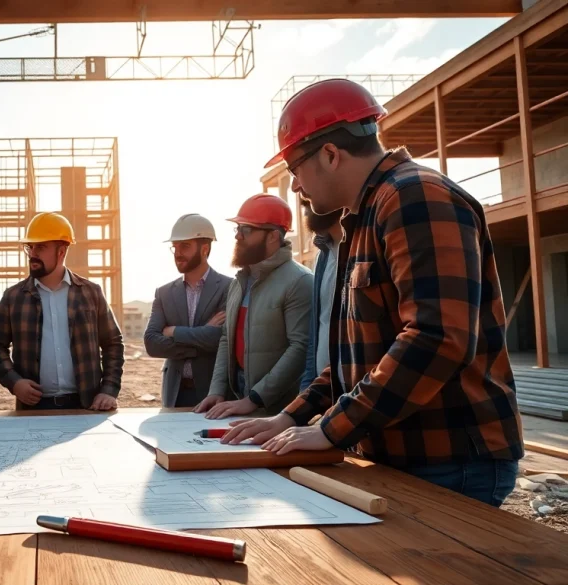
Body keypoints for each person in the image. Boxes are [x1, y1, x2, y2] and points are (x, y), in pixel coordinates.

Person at [223, 78, 524, 507]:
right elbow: (355, 357)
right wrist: (291, 416)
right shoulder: (364, 218)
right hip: (402, 453)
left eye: (294, 168)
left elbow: (436, 338)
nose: (294, 186)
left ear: (330, 154)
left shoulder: (415, 198)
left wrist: (330, 429)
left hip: (450, 458)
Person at [0, 212, 125, 411]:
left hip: (86, 406)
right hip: (33, 409)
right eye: (30, 247)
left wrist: (109, 389)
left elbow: (113, 343)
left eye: (41, 247)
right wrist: (14, 382)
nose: (33, 254)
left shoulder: (90, 293)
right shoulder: (14, 297)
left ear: (61, 251)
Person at [195, 194, 313, 418]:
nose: (238, 236)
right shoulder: (240, 281)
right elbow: (226, 338)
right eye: (238, 229)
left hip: (278, 410)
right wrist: (217, 391)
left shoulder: (299, 282)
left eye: (246, 230)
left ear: (273, 237)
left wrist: (256, 398)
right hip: (240, 400)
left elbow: (300, 348)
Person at [144, 214, 231, 408]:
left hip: (213, 394)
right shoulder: (164, 293)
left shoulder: (229, 287)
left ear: (205, 249)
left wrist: (174, 332)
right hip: (175, 394)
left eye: (185, 246)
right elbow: (151, 343)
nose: (177, 253)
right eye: (175, 247)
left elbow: (220, 338)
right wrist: (201, 337)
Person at [299, 199, 344, 393]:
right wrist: (305, 394)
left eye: (307, 201)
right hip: (325, 395)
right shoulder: (322, 257)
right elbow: (316, 331)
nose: (297, 188)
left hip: (359, 399)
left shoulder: (363, 250)